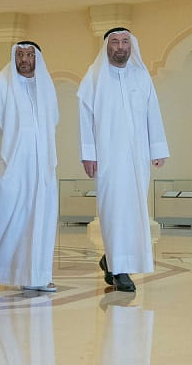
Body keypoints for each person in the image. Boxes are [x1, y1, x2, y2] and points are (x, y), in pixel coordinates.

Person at [78, 27, 169, 293]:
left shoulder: (141, 76)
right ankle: (119, 269)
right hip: (108, 158)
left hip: (138, 158)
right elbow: (85, 117)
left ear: (131, 46)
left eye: (125, 42)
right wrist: (88, 154)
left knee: (134, 211)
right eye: (115, 42)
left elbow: (153, 113)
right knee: (113, 210)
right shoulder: (94, 77)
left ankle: (113, 260)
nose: (120, 47)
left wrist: (157, 149)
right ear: (107, 46)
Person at [0, 41, 59, 294]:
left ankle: (36, 275)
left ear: (37, 59)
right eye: (20, 54)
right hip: (8, 169)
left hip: (41, 171)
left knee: (38, 223)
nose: (24, 59)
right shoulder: (1, 87)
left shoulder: (46, 89)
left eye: (29, 55)